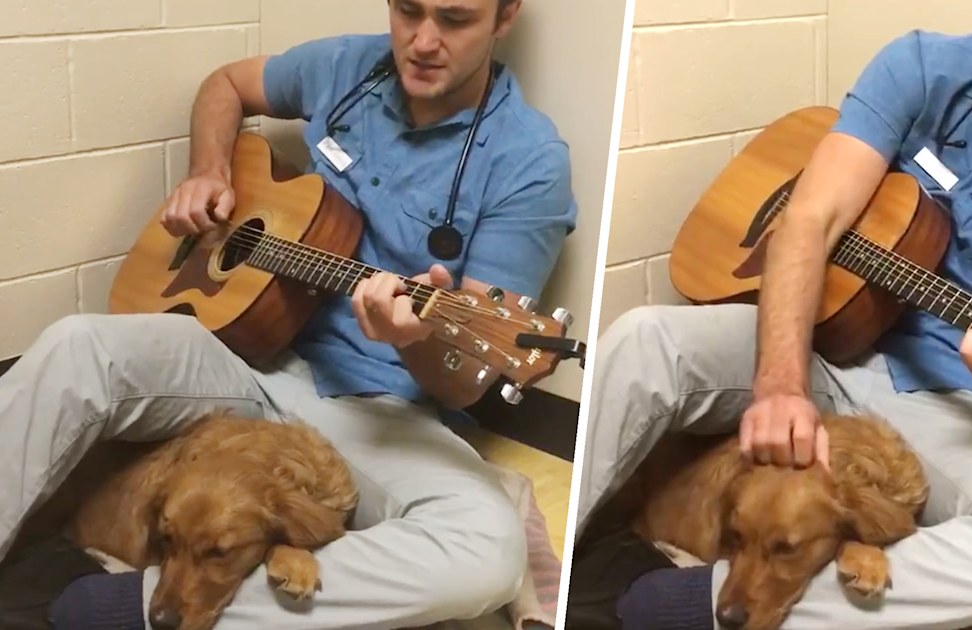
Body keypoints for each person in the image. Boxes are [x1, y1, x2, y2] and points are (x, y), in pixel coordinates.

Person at [568, 0, 972, 628]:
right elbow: (808, 221)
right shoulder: (922, 66)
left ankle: (692, 604)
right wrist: (780, 384)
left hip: (949, 404)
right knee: (643, 337)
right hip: (816, 344)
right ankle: (569, 550)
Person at [0, 0, 578, 628]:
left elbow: (467, 377)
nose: (423, 40)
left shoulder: (530, 162)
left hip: (375, 411)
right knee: (79, 345)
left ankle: (138, 606)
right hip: (245, 354)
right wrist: (207, 172)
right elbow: (224, 85)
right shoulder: (345, 65)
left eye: (455, 19)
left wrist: (412, 341)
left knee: (486, 552)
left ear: (504, 17)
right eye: (408, 11)